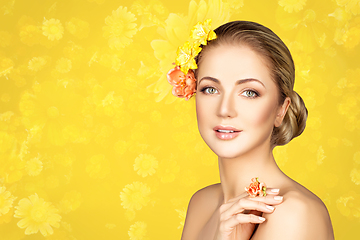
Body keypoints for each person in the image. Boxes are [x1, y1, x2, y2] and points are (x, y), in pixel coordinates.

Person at [167, 20, 334, 240]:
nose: (225, 109)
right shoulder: (201, 203)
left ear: (280, 110)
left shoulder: (294, 214)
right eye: (210, 89)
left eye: (249, 92)